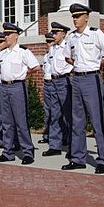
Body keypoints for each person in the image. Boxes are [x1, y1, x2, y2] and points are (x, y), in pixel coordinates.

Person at [61, 3, 104, 173]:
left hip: (92, 78)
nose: (75, 19)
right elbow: (67, 57)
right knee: (77, 121)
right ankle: (78, 158)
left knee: (97, 120)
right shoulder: (71, 37)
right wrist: (77, 64)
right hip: (76, 79)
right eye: (73, 17)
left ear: (86, 17)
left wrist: (99, 65)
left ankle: (102, 160)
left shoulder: (95, 33)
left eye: (78, 16)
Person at [0, 21, 39, 165]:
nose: (6, 37)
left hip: (17, 87)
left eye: (9, 34)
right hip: (4, 87)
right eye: (5, 34)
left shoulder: (23, 52)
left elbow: (36, 66)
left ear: (16, 36)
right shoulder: (2, 54)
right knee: (7, 122)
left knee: (21, 121)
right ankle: (8, 152)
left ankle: (27, 152)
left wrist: (24, 73)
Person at [42, 22, 73, 158]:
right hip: (53, 81)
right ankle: (55, 145)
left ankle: (73, 145)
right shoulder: (53, 49)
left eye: (56, 33)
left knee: (69, 115)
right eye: (53, 33)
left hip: (64, 80)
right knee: (55, 115)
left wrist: (66, 73)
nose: (53, 35)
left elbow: (73, 62)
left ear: (63, 34)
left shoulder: (68, 46)